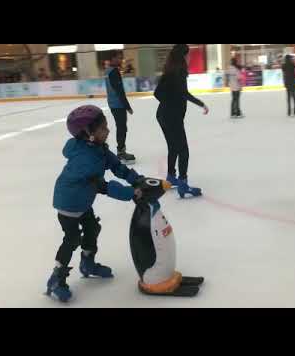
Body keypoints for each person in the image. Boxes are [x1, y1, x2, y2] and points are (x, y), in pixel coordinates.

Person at [46, 105, 145, 302]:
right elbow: (103, 186)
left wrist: (137, 180)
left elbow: (117, 166)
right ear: (88, 134)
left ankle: (87, 264)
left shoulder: (98, 149)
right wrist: (131, 193)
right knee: (72, 239)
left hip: (83, 201)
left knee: (92, 229)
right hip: (68, 204)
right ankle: (56, 278)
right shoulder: (86, 159)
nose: (108, 131)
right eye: (103, 129)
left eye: (106, 126)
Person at [154, 44, 209, 198]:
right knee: (183, 150)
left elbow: (158, 93)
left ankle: (171, 177)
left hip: (162, 115)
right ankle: (183, 184)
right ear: (183, 56)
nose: (190, 57)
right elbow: (183, 93)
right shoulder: (180, 71)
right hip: (172, 117)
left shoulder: (170, 71)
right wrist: (200, 104)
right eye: (188, 54)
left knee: (173, 147)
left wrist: (169, 102)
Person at [104, 50, 135, 164]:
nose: (120, 59)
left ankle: (121, 151)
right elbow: (119, 90)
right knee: (122, 128)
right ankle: (121, 152)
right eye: (118, 58)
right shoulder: (114, 71)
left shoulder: (108, 70)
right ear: (112, 59)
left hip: (112, 103)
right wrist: (127, 106)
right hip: (118, 104)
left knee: (121, 127)